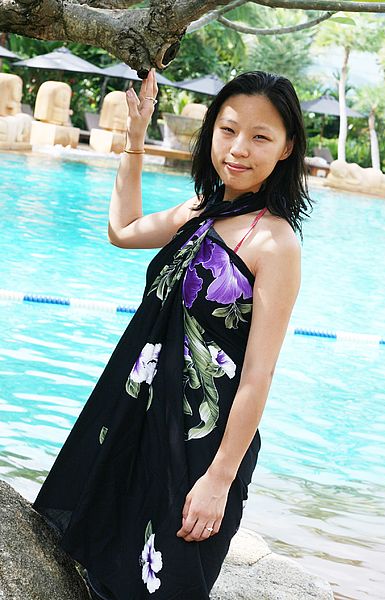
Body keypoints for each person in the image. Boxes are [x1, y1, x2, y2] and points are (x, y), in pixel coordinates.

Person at [32, 69, 313, 599]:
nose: (238, 149)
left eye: (260, 137)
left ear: (286, 147)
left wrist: (219, 481)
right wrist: (134, 145)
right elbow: (122, 231)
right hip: (137, 424)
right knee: (97, 569)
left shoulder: (275, 243)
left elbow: (258, 372)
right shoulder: (198, 212)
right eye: (228, 130)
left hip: (201, 450)